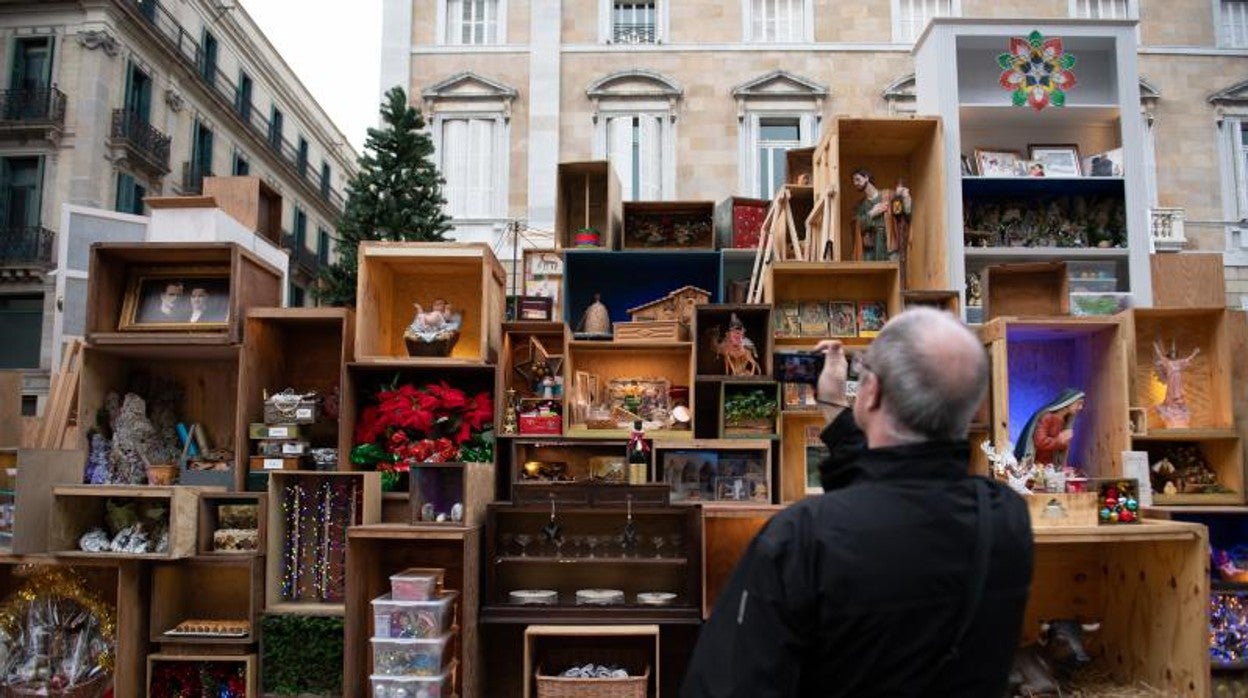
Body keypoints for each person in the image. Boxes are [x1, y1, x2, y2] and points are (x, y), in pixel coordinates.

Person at [682, 308, 1033, 697]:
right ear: (974, 408)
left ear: (872, 392)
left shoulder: (801, 539)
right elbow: (894, 493)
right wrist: (834, 407)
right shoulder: (1005, 520)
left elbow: (726, 686)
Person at [1013, 388, 1086, 468]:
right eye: (1078, 403)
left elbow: (1061, 447)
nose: (1080, 407)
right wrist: (1059, 440)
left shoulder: (1065, 422)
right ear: (1068, 402)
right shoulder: (1047, 417)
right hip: (1037, 464)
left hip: (1051, 466)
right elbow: (1039, 441)